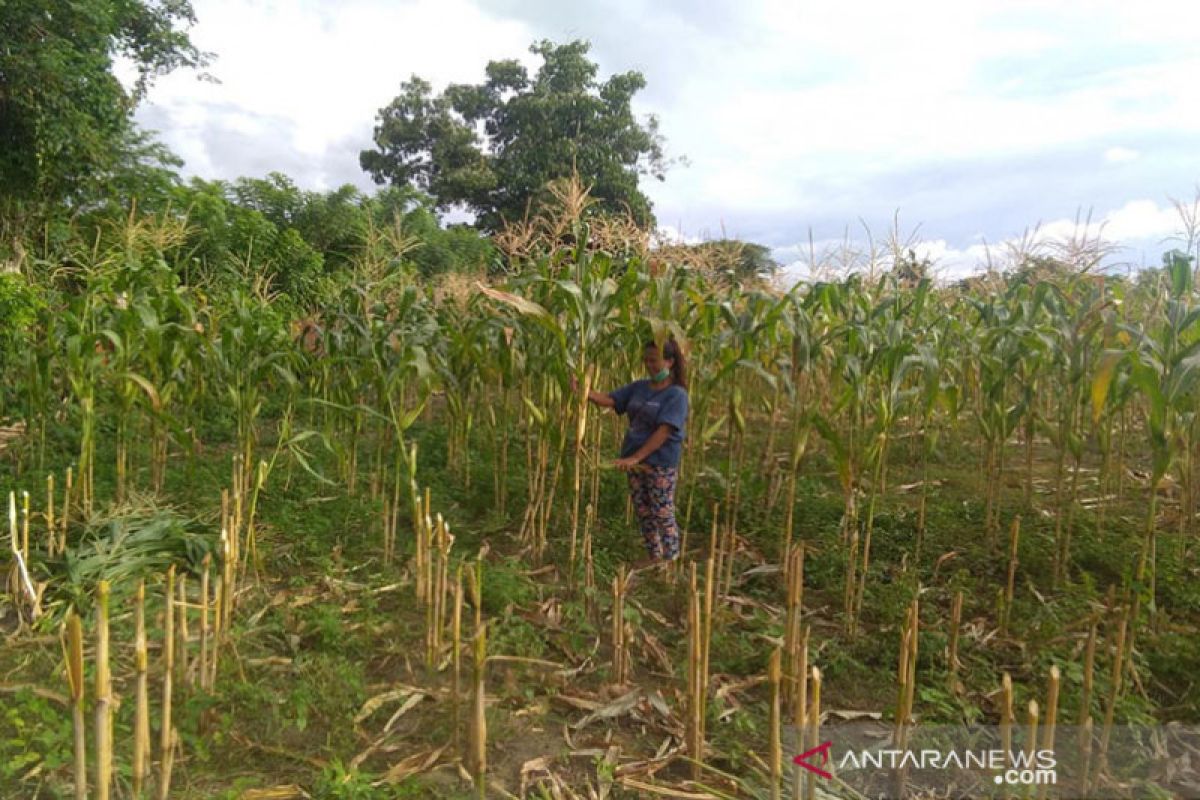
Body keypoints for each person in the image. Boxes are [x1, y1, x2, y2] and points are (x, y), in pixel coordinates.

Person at [575, 337, 689, 569]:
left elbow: (664, 431)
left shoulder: (677, 395)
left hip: (659, 462)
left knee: (662, 511)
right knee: (644, 511)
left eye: (654, 361)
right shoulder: (639, 387)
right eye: (646, 360)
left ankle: (671, 562)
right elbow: (610, 400)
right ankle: (654, 556)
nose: (649, 365)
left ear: (670, 362)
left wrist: (636, 457)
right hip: (634, 462)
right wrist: (583, 391)